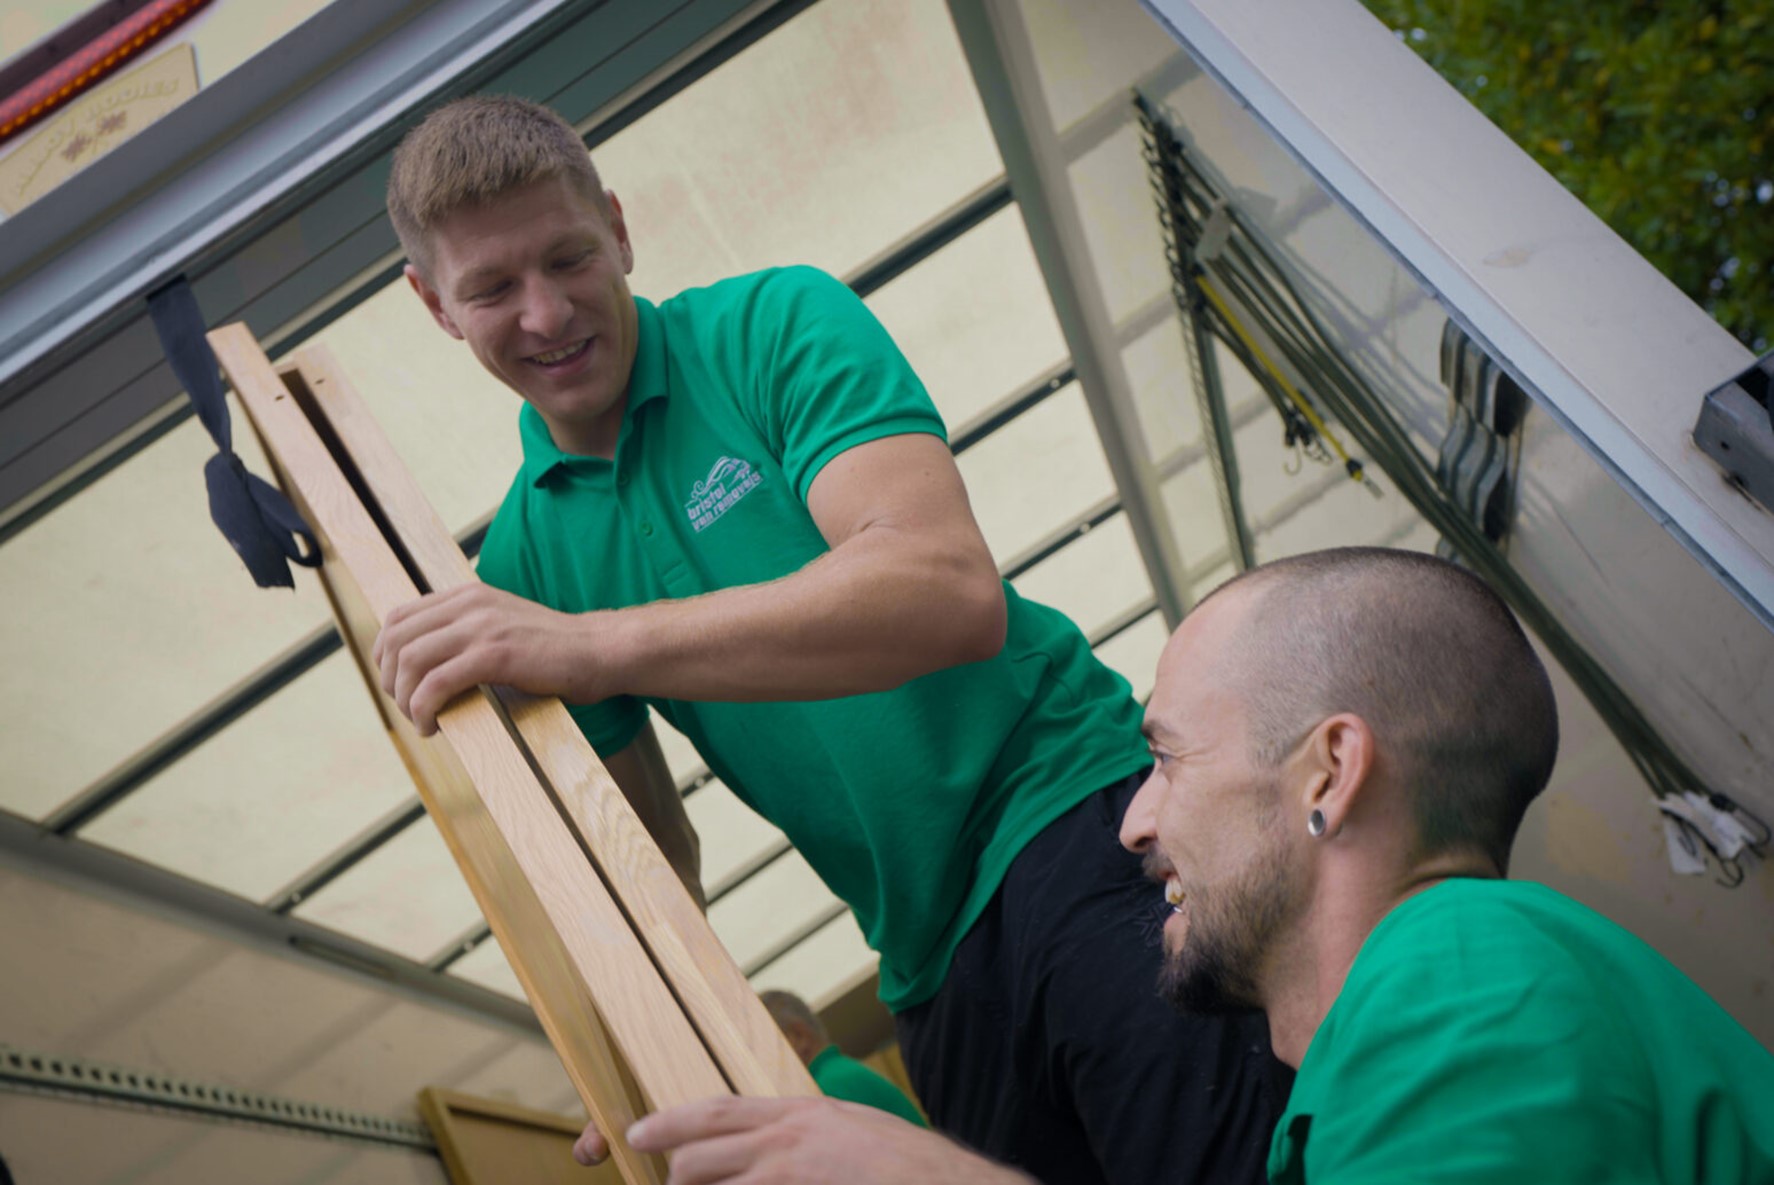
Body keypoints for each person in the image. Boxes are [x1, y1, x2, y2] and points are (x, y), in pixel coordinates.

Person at [373, 95, 1285, 1184]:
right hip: (922, 965)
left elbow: (941, 589)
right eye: (491, 289)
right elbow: (647, 850)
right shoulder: (528, 563)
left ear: (617, 228)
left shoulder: (770, 326)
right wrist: (653, 1046)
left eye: (568, 257)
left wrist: (593, 643)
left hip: (1068, 821)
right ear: (433, 304)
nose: (545, 311)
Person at [608, 547, 1774, 1183]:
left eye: (1163, 757)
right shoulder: (1361, 1075)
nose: (1131, 821)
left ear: (1328, 774)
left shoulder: (1458, 974)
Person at [758, 989, 926, 1127]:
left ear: (798, 1036)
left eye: (764, 1049)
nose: (762, 1067)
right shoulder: (841, 1073)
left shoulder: (826, 1089)